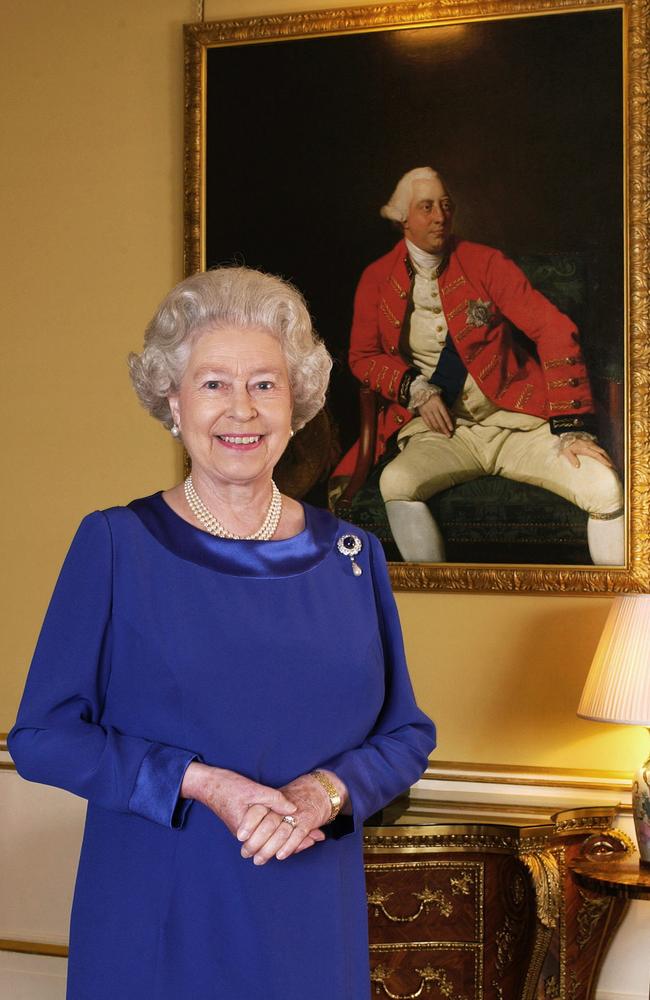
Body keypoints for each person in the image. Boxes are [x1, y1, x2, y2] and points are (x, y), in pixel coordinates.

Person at [8, 267, 436, 1000]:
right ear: (172, 401)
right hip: (159, 917)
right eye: (213, 383)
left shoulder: (352, 556)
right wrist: (200, 783)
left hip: (310, 921)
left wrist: (326, 792)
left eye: (265, 384)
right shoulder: (116, 545)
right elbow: (42, 735)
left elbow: (405, 735)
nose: (242, 408)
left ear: (297, 402)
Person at [332, 167, 624, 565]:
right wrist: (415, 388)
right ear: (403, 218)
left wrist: (573, 428)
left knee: (604, 488)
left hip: (518, 423)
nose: (440, 216)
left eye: (446, 206)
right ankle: (441, 607)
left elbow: (554, 329)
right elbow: (363, 358)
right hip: (445, 433)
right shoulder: (377, 278)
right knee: (397, 482)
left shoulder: (485, 263)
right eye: (427, 207)